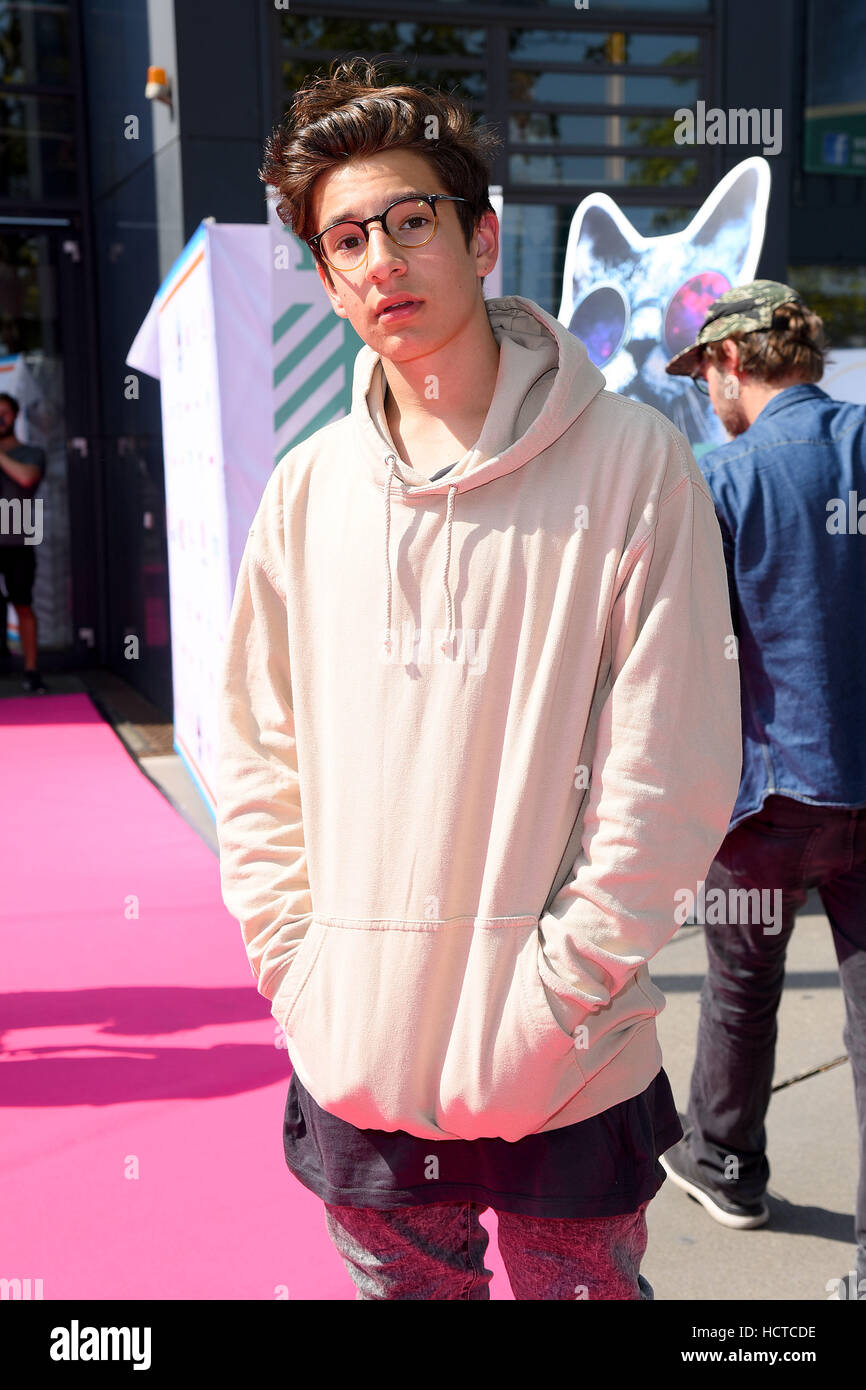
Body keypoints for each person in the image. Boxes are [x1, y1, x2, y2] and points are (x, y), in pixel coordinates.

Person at [215, 58, 741, 1301]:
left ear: (481, 235)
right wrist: (301, 967)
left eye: (410, 221)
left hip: (563, 1057)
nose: (383, 258)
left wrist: (559, 993)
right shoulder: (305, 491)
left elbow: (669, 761)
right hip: (356, 1053)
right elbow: (256, 754)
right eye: (348, 238)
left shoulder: (631, 462)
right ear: (331, 279)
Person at [663, 281, 866, 1299]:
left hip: (763, 801)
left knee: (739, 992)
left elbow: (682, 653)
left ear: (730, 362)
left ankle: (724, 1164)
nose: (705, 396)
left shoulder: (722, 476)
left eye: (704, 376)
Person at [0, 391, 47, 692]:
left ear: (15, 416)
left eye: (3, 412)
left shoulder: (31, 452)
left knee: (23, 604)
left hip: (18, 541)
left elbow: (27, 479)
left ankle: (31, 671)